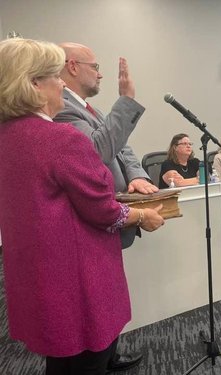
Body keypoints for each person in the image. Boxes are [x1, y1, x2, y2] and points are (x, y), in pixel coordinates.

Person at [0, 38, 164, 375]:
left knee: (62, 355)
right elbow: (102, 209)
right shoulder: (61, 138)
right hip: (77, 274)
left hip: (38, 270)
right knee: (88, 357)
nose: (60, 82)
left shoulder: (9, 134)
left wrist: (133, 177)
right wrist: (143, 215)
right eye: (53, 76)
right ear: (33, 85)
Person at [55, 42, 157, 372]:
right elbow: (95, 154)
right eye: (94, 66)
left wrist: (137, 176)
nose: (100, 74)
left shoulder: (91, 109)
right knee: (96, 299)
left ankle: (109, 353)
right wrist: (125, 101)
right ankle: (100, 356)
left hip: (110, 216)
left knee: (110, 293)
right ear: (72, 66)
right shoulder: (61, 110)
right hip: (91, 222)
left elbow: (122, 147)